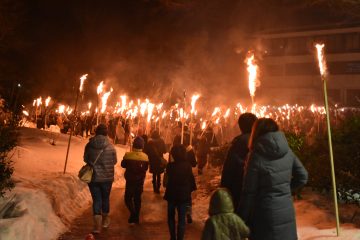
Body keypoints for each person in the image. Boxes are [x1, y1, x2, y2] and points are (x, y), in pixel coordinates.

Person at [237, 118, 308, 240]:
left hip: (264, 214)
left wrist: (240, 218)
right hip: (286, 211)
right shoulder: (287, 151)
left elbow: (249, 192)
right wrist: (285, 189)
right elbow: (303, 176)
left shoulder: (255, 156)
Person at [83, 123, 118, 234]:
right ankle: (105, 220)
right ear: (106, 133)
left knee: (97, 199)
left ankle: (97, 226)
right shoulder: (111, 145)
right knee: (105, 198)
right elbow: (114, 161)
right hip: (107, 178)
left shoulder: (89, 145)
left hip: (94, 177)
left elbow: (85, 158)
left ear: (96, 131)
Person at [221, 113, 257, 209]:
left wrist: (224, 189)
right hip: (259, 193)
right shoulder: (263, 140)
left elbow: (229, 168)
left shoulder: (238, 143)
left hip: (240, 190)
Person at [164, 144, 195, 240]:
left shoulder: (170, 166)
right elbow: (191, 180)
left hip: (171, 195)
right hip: (183, 196)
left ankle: (172, 237)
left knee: (171, 217)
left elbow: (166, 182)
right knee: (182, 219)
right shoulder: (187, 166)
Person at [121, 136, 149, 224]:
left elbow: (123, 165)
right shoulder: (145, 157)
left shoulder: (128, 155)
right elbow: (145, 168)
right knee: (137, 199)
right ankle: (136, 216)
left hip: (130, 181)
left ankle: (133, 214)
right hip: (140, 181)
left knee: (128, 199)